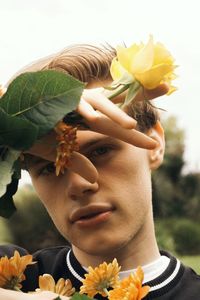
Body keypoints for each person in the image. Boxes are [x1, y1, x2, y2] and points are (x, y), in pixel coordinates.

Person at [0, 44, 199, 300]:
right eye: (51, 166)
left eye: (101, 151)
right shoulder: (13, 275)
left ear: (155, 144)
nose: (79, 183)